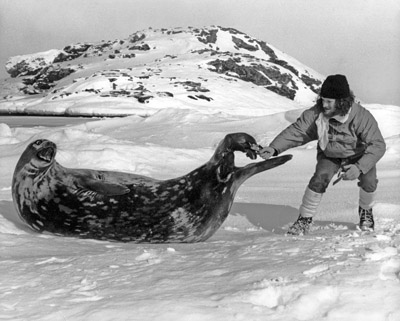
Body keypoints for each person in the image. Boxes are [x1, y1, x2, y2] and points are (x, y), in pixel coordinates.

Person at [259, 74, 386, 235]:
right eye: (322, 99)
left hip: (358, 156)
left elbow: (378, 144)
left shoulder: (361, 116)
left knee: (369, 182)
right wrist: (274, 148)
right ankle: (304, 220)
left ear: (341, 101)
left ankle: (366, 212)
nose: (324, 105)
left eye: (329, 101)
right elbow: (298, 131)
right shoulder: (316, 114)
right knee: (319, 179)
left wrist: (359, 168)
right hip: (330, 154)